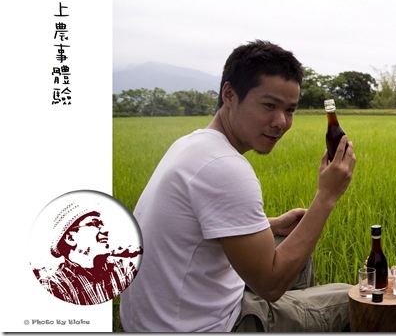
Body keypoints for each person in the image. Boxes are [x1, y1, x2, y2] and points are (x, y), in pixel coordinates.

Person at [119, 40, 357, 332]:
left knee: (289, 248)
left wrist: (272, 225)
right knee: (353, 299)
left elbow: (193, 234)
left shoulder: (193, 144)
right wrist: (327, 196)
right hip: (203, 327)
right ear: (229, 94)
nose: (281, 122)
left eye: (290, 110)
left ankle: (287, 317)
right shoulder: (224, 167)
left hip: (154, 321)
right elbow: (270, 285)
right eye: (269, 105)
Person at [35, 202, 139, 305]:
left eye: (102, 224)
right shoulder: (55, 285)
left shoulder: (122, 268)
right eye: (94, 224)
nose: (106, 231)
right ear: (70, 238)